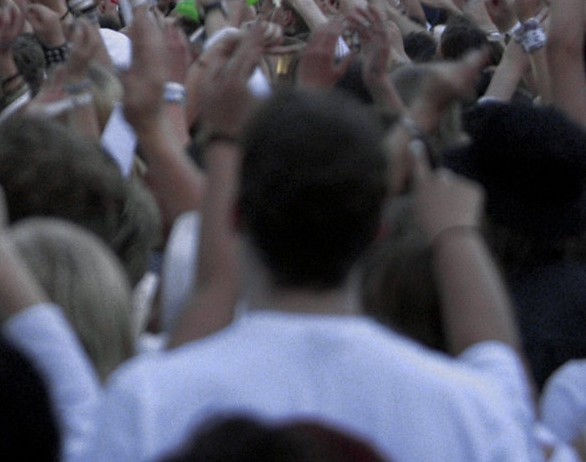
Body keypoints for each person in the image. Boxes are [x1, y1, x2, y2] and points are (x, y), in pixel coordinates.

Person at [87, 89, 535, 462]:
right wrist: (458, 235)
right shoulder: (472, 412)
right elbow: (499, 367)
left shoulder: (144, 401)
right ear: (377, 231)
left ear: (237, 217)